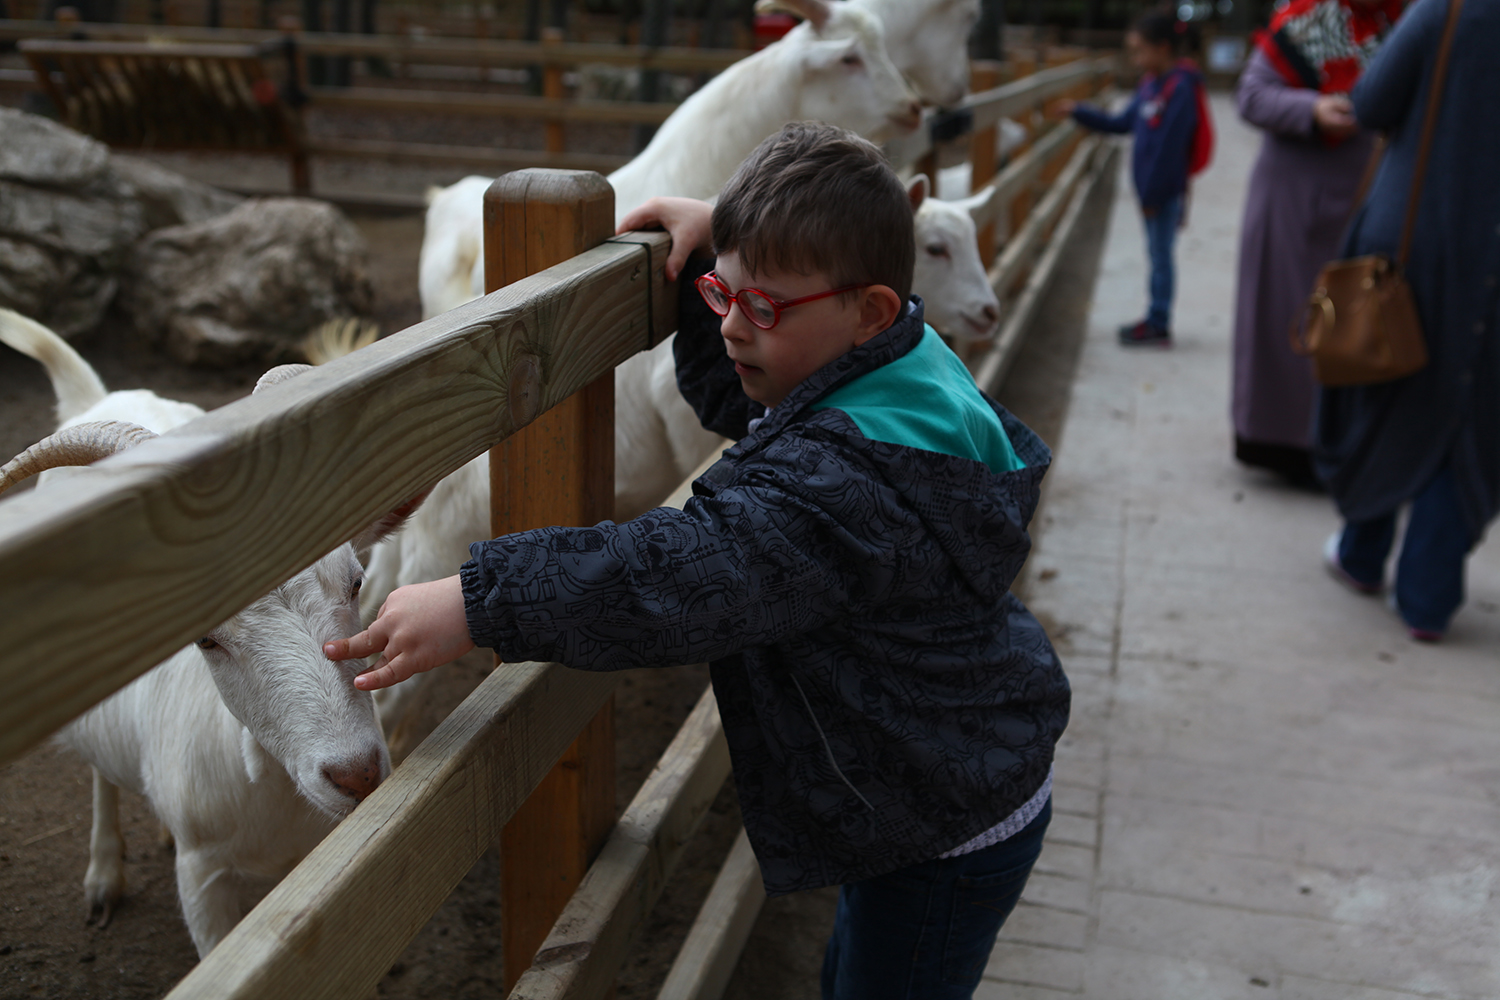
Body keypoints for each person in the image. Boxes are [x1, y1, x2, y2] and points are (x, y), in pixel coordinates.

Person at [324, 122, 1070, 1000]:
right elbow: (756, 401)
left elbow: (676, 575)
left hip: (944, 825)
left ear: (864, 309)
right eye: (723, 293)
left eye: (760, 307)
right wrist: (714, 243)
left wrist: (480, 599)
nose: (731, 327)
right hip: (937, 774)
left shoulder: (842, 484)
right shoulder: (892, 370)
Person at [1317, 0, 1500, 642]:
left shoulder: (1447, 11)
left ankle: (1363, 554)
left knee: (1392, 383)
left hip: (1422, 239)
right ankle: (1427, 596)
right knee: (1474, 410)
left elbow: (1372, 104)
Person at [1232, 0, 1406, 488]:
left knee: (1362, 321)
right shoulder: (1308, 21)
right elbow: (1250, 95)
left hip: (1368, 195)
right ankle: (1282, 443)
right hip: (1294, 198)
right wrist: (1311, 108)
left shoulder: (1407, 21)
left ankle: (1341, 441)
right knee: (1290, 320)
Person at [1056, 7, 1212, 348]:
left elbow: (1172, 151)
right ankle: (1156, 317)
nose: (1136, 59)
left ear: (1163, 48)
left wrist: (1153, 197)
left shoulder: (1180, 90)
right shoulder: (1150, 85)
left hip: (1162, 193)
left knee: (1160, 257)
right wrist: (1080, 112)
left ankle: (1158, 322)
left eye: (1140, 50)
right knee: (1157, 255)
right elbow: (1122, 123)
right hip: (1151, 193)